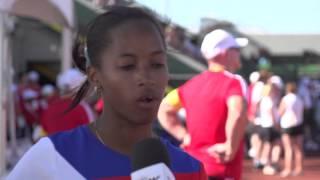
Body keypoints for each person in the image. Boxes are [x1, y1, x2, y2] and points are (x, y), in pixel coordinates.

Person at [8, 6, 207, 179]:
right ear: (95, 76)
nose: (145, 77)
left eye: (157, 64)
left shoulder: (190, 169)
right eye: (128, 66)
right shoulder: (53, 157)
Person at [158, 29, 247, 180]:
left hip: (194, 169)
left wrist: (184, 136)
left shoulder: (190, 85)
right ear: (225, 53)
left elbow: (164, 108)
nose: (239, 53)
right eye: (236, 50)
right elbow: (237, 112)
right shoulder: (234, 82)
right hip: (222, 168)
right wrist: (230, 147)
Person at [279, 82, 304, 177]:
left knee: (288, 148)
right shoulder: (299, 98)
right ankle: (299, 168)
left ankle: (288, 169)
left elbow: (281, 111)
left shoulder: (286, 99)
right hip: (298, 124)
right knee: (298, 149)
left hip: (287, 125)